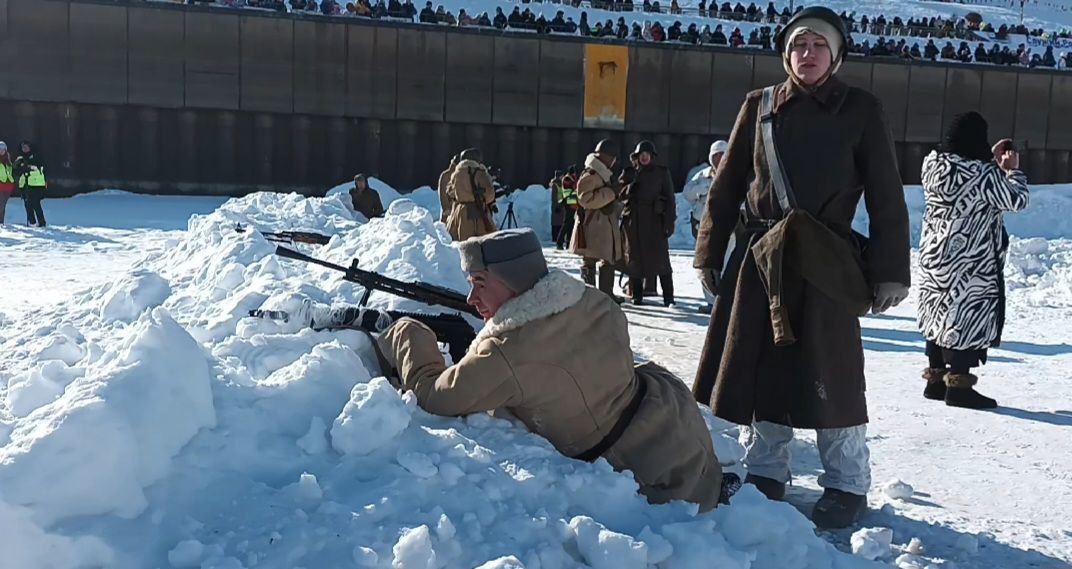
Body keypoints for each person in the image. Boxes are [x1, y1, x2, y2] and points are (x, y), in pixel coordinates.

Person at [691, 6, 910, 529]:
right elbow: (725, 191)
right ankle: (767, 471)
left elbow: (885, 195)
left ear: (835, 54)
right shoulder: (759, 105)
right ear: (785, 54)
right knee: (761, 364)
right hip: (761, 257)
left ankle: (846, 481)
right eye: (797, 46)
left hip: (824, 259)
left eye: (817, 46)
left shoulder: (861, 108)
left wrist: (890, 270)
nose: (806, 54)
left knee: (831, 370)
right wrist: (708, 252)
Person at [376, 229, 723, 511]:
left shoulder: (506, 353)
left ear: (512, 279)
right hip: (674, 418)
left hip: (650, 469)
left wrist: (408, 332)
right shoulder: (593, 301)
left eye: (479, 283)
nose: (470, 298)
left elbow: (435, 396)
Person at [918, 114, 1028, 410]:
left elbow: (968, 182)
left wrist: (989, 160)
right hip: (971, 262)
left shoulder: (932, 166)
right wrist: (1012, 171)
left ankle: (935, 381)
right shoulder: (982, 175)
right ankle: (959, 387)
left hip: (935, 257)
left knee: (938, 316)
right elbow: (1016, 200)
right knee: (966, 318)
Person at [619, 141, 676, 307]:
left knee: (661, 260)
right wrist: (630, 189)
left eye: (647, 154)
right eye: (641, 154)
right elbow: (618, 194)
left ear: (652, 156)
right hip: (634, 222)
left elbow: (670, 200)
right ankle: (637, 296)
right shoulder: (630, 172)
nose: (644, 157)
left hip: (655, 222)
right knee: (635, 259)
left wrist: (669, 223)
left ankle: (669, 298)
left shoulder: (662, 173)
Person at [569, 139, 625, 301]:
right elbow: (584, 199)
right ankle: (590, 296)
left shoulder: (603, 174)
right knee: (591, 259)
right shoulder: (591, 174)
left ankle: (605, 295)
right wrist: (610, 193)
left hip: (602, 224)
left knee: (607, 258)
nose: (614, 161)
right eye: (612, 157)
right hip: (592, 224)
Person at [445, 148, 496, 241]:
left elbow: (450, 192)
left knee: (465, 246)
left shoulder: (456, 174)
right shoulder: (481, 173)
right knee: (484, 242)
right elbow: (490, 195)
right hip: (480, 210)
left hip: (462, 212)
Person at [683, 141, 728, 240]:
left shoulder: (734, 175)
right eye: (715, 155)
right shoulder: (702, 174)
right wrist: (703, 188)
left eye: (722, 154)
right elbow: (687, 193)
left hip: (726, 226)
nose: (719, 158)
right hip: (702, 225)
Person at [14, 141, 47, 227]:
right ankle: (32, 222)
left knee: (36, 203)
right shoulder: (20, 158)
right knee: (27, 204)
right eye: (23, 147)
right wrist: (19, 166)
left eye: (26, 147)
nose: (24, 149)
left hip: (36, 184)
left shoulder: (36, 156)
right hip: (25, 184)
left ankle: (42, 222)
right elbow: (15, 170)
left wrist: (27, 167)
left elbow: (39, 167)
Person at [556, 166, 579, 250]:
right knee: (567, 224)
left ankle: (568, 242)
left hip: (572, 203)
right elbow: (572, 187)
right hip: (569, 203)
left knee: (570, 224)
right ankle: (560, 242)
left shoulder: (572, 178)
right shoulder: (568, 178)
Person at [438, 154, 458, 224]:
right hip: (449, 212)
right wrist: (446, 209)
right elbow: (443, 194)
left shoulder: (459, 175)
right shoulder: (446, 175)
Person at [0, 142, 14, 224]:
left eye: (3, 149)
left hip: (8, 186)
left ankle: (1, 222)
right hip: (0, 184)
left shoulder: (8, 160)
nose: (1, 151)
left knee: (3, 205)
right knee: (1, 205)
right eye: (0, 149)